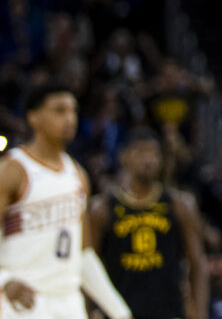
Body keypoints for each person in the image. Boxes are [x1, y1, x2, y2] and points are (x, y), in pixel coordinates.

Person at [0, 82, 134, 319]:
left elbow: (83, 255)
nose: (70, 118)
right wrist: (5, 280)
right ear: (34, 117)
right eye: (59, 110)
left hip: (68, 301)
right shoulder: (13, 169)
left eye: (73, 111)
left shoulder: (78, 174)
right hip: (22, 301)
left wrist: (119, 311)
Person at [90, 127, 209, 319]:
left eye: (154, 153)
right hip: (119, 312)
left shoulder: (180, 205)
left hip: (168, 312)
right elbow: (89, 266)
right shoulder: (102, 209)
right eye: (142, 152)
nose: (149, 159)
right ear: (124, 157)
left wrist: (201, 313)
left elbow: (197, 262)